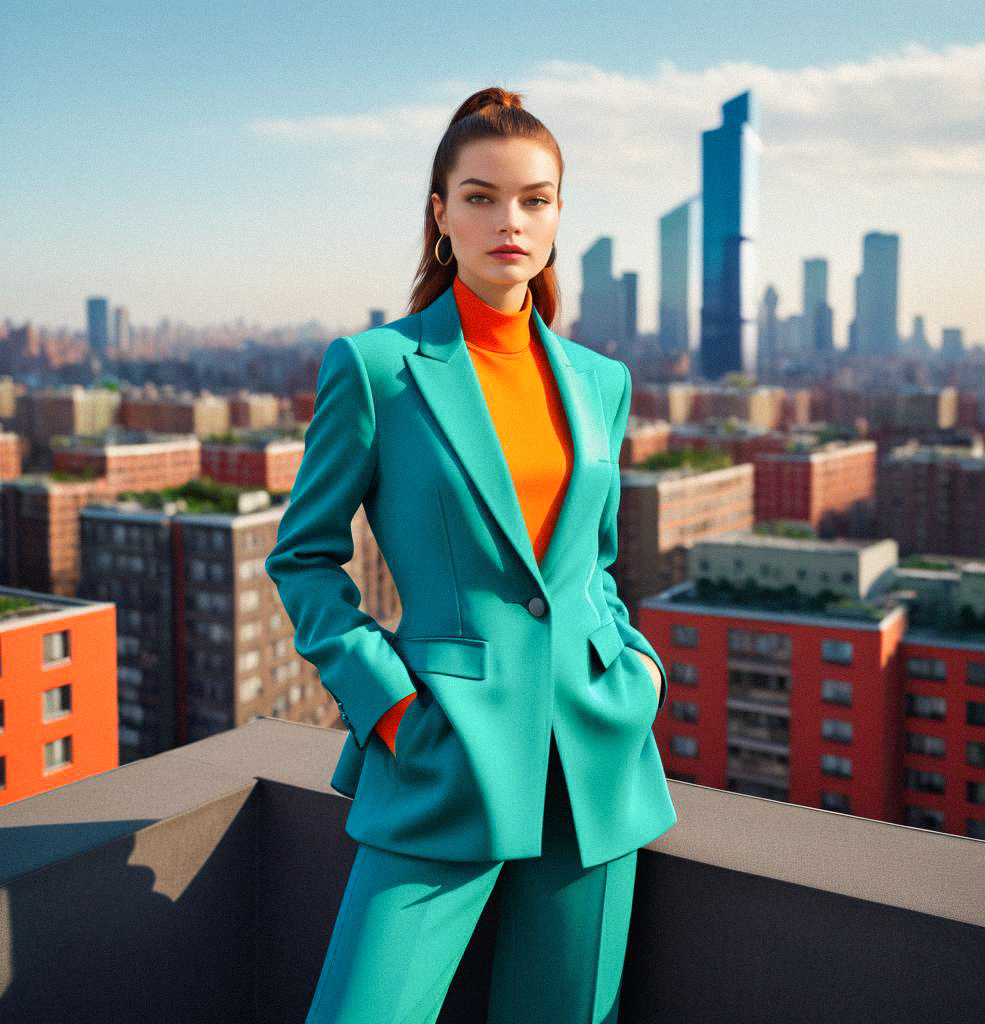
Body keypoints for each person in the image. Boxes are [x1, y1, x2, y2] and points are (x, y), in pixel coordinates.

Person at [265, 85, 678, 1024]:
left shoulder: (601, 382)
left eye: (535, 199)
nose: (510, 221)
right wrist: (393, 709)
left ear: (559, 217)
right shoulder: (376, 368)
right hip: (443, 751)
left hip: (595, 757)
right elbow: (305, 560)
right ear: (441, 214)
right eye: (482, 196)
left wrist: (640, 673)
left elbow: (592, 570)